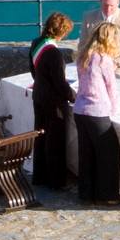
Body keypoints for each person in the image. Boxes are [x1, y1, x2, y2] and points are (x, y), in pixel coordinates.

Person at [72, 21, 120, 203]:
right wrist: (117, 110)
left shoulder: (83, 56)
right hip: (97, 111)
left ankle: (86, 194)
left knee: (86, 154)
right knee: (108, 153)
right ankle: (108, 195)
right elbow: (111, 88)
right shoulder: (104, 59)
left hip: (80, 109)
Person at [28, 12, 75, 190]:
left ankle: (40, 176)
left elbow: (33, 70)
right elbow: (60, 84)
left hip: (39, 95)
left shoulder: (36, 43)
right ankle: (56, 181)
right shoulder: (54, 53)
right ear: (62, 32)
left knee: (40, 137)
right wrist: (73, 96)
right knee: (55, 141)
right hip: (54, 103)